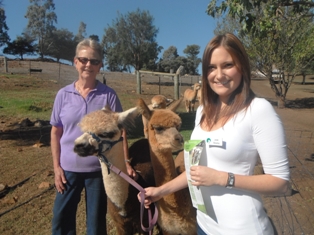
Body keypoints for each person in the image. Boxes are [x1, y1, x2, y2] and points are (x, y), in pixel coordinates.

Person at [139, 33, 290, 235]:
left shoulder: (259, 111)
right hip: (204, 225)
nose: (218, 75)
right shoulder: (203, 111)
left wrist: (222, 178)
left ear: (242, 66)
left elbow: (280, 183)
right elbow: (196, 171)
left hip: (242, 229)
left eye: (227, 65)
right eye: (211, 67)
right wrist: (160, 191)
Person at [50, 38, 136, 235]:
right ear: (75, 62)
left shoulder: (108, 96)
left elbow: (120, 132)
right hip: (67, 170)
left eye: (94, 61)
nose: (88, 65)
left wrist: (126, 162)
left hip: (98, 170)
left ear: (100, 66)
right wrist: (56, 168)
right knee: (61, 221)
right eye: (84, 60)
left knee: (96, 226)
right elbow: (56, 132)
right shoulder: (63, 95)